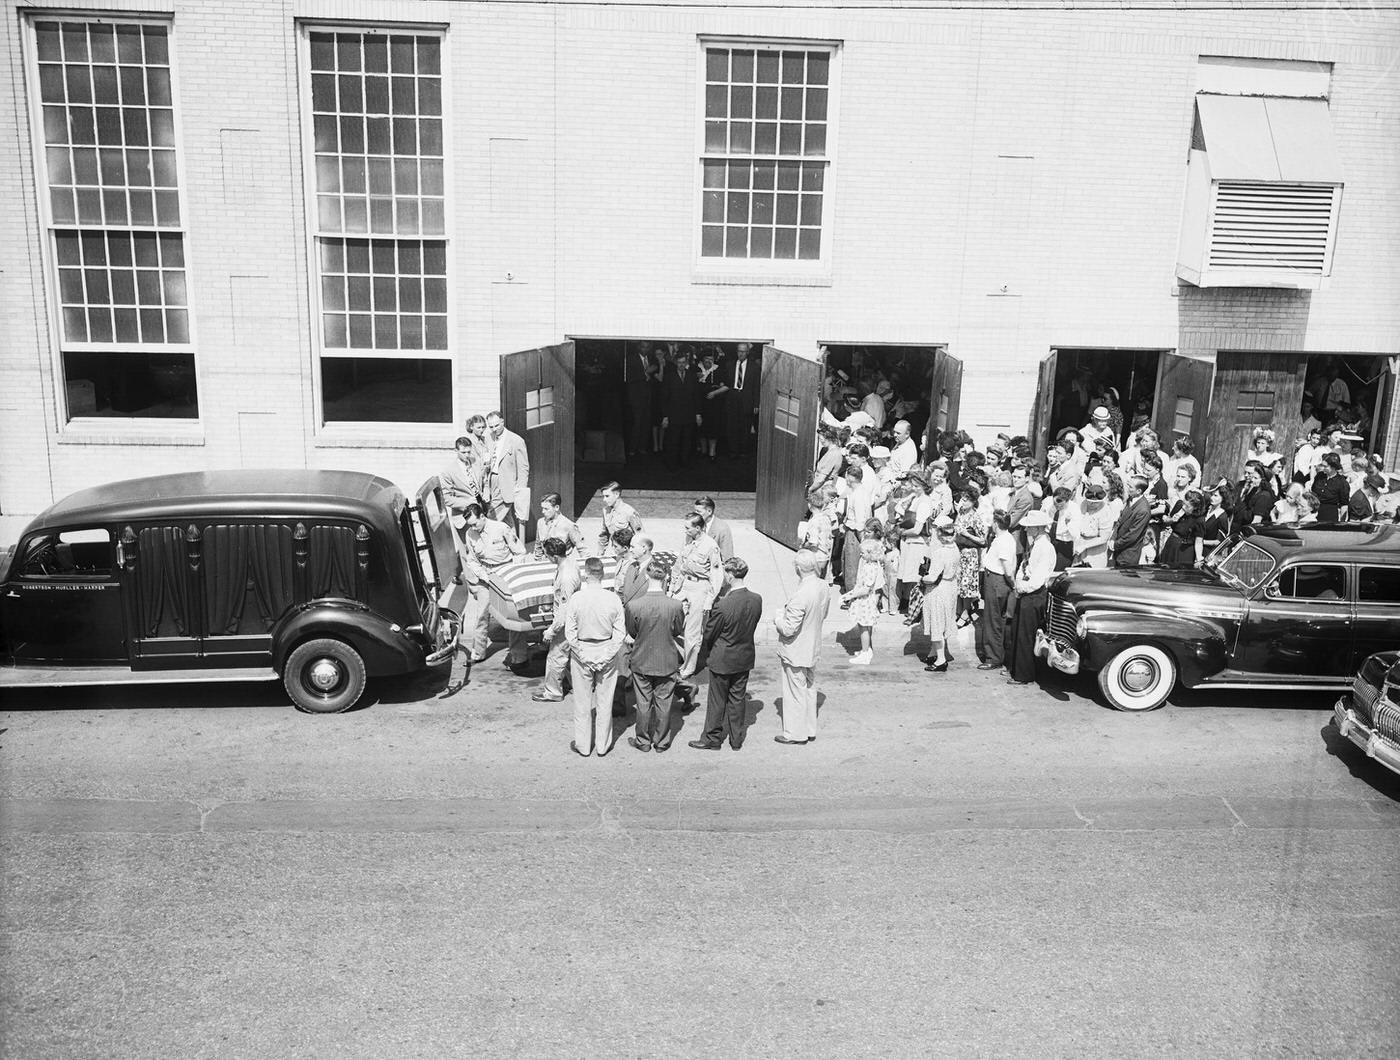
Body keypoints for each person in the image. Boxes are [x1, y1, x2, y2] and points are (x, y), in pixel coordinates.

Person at [690, 557, 763, 751]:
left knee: (717, 701)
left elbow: (709, 634)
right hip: (744, 656)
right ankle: (736, 739)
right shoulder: (756, 599)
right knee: (737, 699)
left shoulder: (723, 605)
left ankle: (712, 738)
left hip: (722, 658)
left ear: (730, 576)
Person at [563, 558, 627, 757]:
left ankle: (583, 746)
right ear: (603, 574)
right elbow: (619, 633)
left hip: (583, 650)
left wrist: (582, 655)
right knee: (605, 702)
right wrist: (607, 655)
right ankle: (602, 745)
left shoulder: (576, 599)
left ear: (586, 574)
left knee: (582, 703)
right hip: (606, 649)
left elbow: (570, 633)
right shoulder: (613, 599)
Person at [624, 558, 686, 753]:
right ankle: (661, 741)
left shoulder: (634, 605)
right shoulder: (675, 605)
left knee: (643, 703)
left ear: (646, 576)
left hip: (642, 659)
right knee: (664, 702)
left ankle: (643, 740)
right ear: (666, 577)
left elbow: (633, 633)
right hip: (667, 660)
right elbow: (677, 631)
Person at [457, 503, 526, 667]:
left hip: (505, 574)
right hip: (486, 576)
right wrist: (483, 576)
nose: (473, 528)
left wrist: (513, 574)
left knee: (513, 616)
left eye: (475, 523)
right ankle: (478, 653)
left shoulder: (501, 528)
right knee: (481, 615)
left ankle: (519, 656)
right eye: (470, 525)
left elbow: (520, 552)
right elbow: (472, 560)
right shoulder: (470, 534)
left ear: (482, 516)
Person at [773, 550, 831, 745]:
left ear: (798, 568)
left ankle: (795, 733)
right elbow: (824, 613)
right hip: (812, 647)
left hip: (796, 650)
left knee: (794, 693)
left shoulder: (801, 595)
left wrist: (778, 618)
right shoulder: (823, 586)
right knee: (808, 689)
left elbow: (788, 629)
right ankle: (809, 728)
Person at [670, 512, 723, 689]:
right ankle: (676, 656)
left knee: (692, 633)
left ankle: (687, 668)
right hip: (683, 585)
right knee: (670, 622)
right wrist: (672, 587)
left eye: (688, 527)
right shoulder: (688, 540)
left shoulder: (710, 546)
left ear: (698, 528)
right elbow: (679, 563)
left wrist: (710, 599)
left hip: (700, 588)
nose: (685, 530)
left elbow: (716, 576)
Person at [1005, 510, 1056, 685]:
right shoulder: (1036, 545)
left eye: (1029, 528)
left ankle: (1024, 674)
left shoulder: (1045, 548)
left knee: (1026, 635)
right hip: (1026, 592)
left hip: (1034, 594)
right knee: (1018, 632)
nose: (1026, 531)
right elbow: (1025, 566)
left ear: (1039, 527)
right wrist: (1019, 583)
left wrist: (1022, 587)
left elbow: (1038, 578)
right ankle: (1016, 668)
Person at [530, 537, 581, 703]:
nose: (546, 557)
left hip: (566, 623)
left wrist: (552, 630)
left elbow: (565, 610)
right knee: (570, 658)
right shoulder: (569, 564)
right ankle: (580, 686)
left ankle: (553, 692)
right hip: (570, 620)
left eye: (547, 555)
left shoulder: (566, 577)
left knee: (555, 656)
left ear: (555, 557)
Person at [919, 515, 961, 673]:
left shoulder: (940, 553)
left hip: (939, 589)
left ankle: (941, 659)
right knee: (944, 620)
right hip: (950, 586)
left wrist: (922, 577)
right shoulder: (955, 549)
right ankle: (933, 653)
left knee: (937, 621)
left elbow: (932, 577)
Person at [976, 511, 1017, 671]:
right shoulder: (1001, 539)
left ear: (996, 524)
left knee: (993, 620)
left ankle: (993, 657)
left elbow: (1007, 568)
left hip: (997, 580)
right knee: (994, 619)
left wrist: (1012, 584)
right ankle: (994, 653)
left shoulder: (1004, 541)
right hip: (994, 579)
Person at [485, 410, 531, 543]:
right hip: (491, 482)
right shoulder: (489, 437)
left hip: (507, 485)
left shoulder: (516, 441)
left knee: (492, 518)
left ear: (503, 422)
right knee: (506, 520)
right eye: (491, 426)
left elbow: (523, 468)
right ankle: (516, 550)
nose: (494, 429)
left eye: (496, 425)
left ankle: (490, 547)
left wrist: (520, 492)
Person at [840, 534, 884, 666]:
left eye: (863, 553)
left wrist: (849, 595)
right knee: (866, 626)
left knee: (863, 627)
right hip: (867, 600)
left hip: (864, 600)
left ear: (870, 554)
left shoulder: (870, 567)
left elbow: (866, 589)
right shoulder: (872, 565)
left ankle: (865, 653)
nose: (861, 555)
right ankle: (867, 649)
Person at [661, 350, 702, 469]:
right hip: (673, 415)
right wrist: (665, 416)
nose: (681, 365)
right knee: (673, 442)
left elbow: (696, 396)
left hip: (689, 415)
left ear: (687, 362)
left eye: (683, 362)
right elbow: (664, 398)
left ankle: (685, 464)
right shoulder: (669, 377)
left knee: (687, 442)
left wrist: (698, 414)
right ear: (675, 363)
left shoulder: (692, 376)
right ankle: (672, 465)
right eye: (679, 363)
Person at [952, 488, 986, 627]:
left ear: (973, 502)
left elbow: (983, 540)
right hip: (958, 551)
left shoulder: (975, 517)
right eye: (962, 499)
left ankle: (966, 613)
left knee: (967, 585)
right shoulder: (961, 513)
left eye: (966, 500)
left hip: (969, 554)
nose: (963, 502)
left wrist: (967, 535)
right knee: (958, 583)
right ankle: (960, 611)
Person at [723, 342, 760, 459]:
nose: (741, 354)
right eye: (739, 351)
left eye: (743, 351)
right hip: (733, 397)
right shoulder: (730, 365)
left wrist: (756, 403)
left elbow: (756, 387)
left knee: (745, 426)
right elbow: (726, 383)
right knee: (732, 426)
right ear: (736, 351)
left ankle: (743, 451)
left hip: (747, 398)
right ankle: (733, 451)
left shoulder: (754, 367)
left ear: (747, 352)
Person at [440, 436, 485, 529]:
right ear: (456, 451)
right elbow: (446, 497)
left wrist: (487, 490)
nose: (467, 455)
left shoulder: (476, 462)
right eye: (463, 452)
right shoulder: (449, 471)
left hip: (482, 511)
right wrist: (467, 503)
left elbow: (485, 480)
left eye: (469, 452)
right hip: (464, 516)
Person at [1157, 489, 1206, 568]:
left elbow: (1199, 541)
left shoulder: (1199, 519)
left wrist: (1199, 558)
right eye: (1184, 503)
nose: (1183, 507)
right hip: (1172, 542)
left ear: (1195, 508)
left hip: (1184, 549)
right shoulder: (1179, 505)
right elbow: (1167, 522)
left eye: (1187, 506)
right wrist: (1172, 520)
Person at [1111, 476, 1152, 568]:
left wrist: (1115, 544)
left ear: (1139, 491)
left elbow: (1132, 535)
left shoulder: (1143, 510)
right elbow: (1120, 520)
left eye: (1130, 487)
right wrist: (1113, 538)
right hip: (1118, 550)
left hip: (1128, 555)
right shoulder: (1131, 499)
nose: (1127, 488)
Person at [625, 342, 656, 457]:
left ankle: (642, 447)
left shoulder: (651, 359)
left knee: (646, 423)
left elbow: (654, 379)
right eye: (643, 346)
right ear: (638, 347)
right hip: (635, 397)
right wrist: (645, 373)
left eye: (648, 347)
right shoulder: (631, 359)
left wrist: (650, 376)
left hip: (648, 397)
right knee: (636, 423)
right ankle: (632, 449)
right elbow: (629, 377)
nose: (645, 349)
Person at [596, 481, 643, 556]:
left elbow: (640, 536)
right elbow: (604, 534)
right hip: (614, 552)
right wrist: (600, 552)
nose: (604, 499)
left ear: (617, 494)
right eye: (603, 496)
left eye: (607, 496)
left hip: (629, 554)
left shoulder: (630, 512)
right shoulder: (605, 511)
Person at [533, 492, 586, 558]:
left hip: (562, 563)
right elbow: (538, 547)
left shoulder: (569, 525)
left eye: (546, 509)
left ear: (556, 507)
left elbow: (583, 550)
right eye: (542, 508)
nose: (543, 511)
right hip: (545, 563)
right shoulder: (541, 522)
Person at [798, 487, 836, 578]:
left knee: (811, 582)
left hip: (816, 557)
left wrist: (803, 546)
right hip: (824, 556)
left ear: (810, 505)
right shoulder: (825, 517)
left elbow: (813, 542)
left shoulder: (814, 522)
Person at [697, 348, 726, 461]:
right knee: (701, 427)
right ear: (702, 360)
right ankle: (703, 450)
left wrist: (714, 392)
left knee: (713, 428)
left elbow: (726, 386)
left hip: (714, 405)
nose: (708, 361)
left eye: (711, 359)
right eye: (706, 359)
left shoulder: (719, 371)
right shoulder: (696, 369)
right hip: (699, 404)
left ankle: (712, 452)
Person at [1234, 461, 1275, 532]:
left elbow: (1256, 521)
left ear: (1263, 480)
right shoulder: (1255, 490)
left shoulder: (1264, 496)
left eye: (1255, 478)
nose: (1252, 480)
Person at [1312, 452, 1351, 522]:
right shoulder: (1319, 476)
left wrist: (1342, 521)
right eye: (1322, 465)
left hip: (1329, 515)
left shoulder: (1342, 483)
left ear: (1333, 467)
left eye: (1325, 466)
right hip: (1314, 512)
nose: (1323, 468)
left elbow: (1344, 504)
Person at [694, 496, 734, 561]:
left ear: (709, 511)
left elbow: (727, 557)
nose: (695, 514)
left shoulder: (722, 529)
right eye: (695, 511)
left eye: (698, 512)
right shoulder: (694, 524)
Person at [1201, 483, 1233, 552]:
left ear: (1223, 498)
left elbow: (1219, 541)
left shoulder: (1222, 516)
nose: (1212, 498)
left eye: (1215, 496)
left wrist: (1202, 541)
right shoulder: (1207, 508)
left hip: (1206, 550)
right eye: (1211, 495)